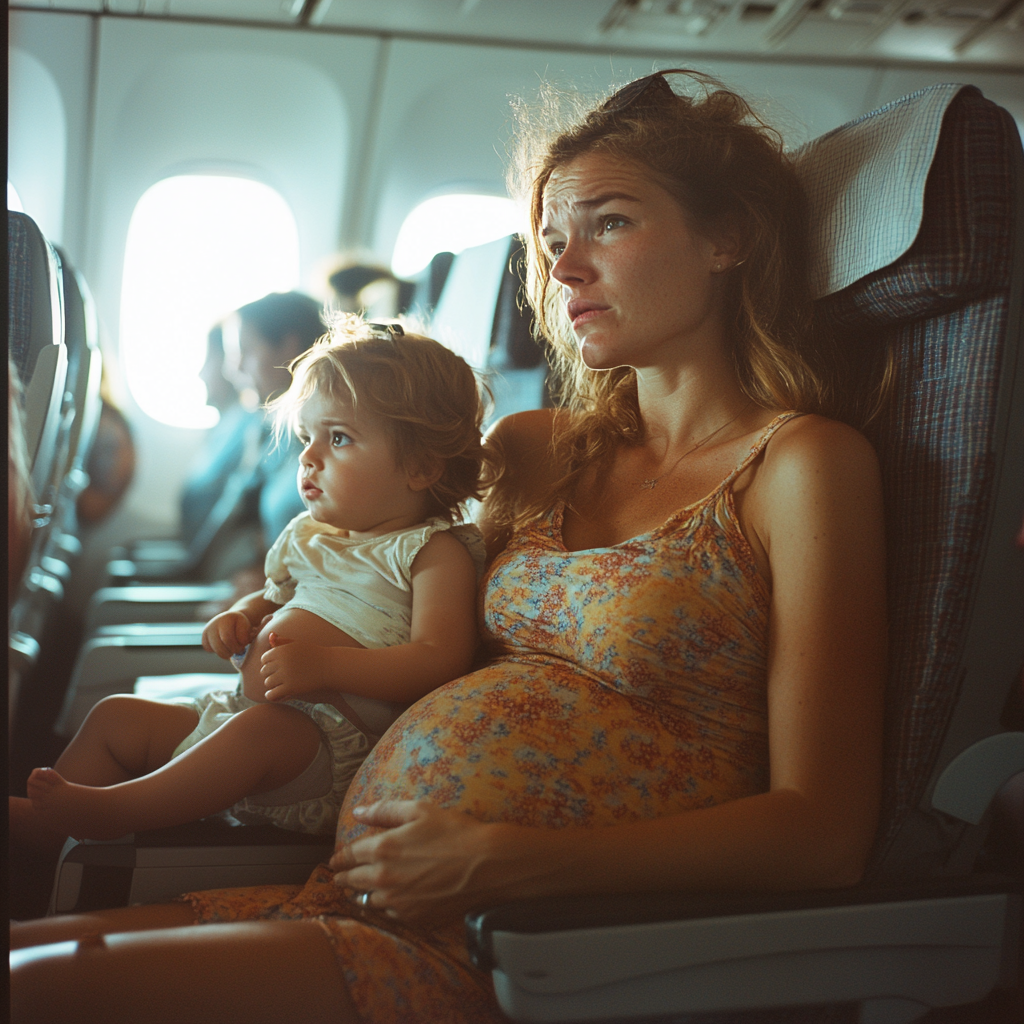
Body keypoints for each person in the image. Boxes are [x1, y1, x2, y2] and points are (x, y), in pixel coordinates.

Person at [10, 70, 887, 1024]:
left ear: (731, 238)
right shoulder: (535, 451)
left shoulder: (800, 465)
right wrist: (282, 613)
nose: (564, 270)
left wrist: (512, 860)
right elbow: (398, 593)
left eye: (610, 224)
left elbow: (825, 831)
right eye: (553, 240)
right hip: (354, 884)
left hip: (521, 943)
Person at [12, 319, 492, 846]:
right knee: (114, 717)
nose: (308, 457)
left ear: (421, 467)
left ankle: (111, 811)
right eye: (308, 437)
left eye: (339, 438)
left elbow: (438, 658)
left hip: (327, 746)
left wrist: (327, 665)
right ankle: (47, 827)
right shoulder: (312, 535)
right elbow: (275, 597)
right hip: (247, 708)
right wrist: (242, 615)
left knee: (257, 734)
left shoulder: (433, 553)